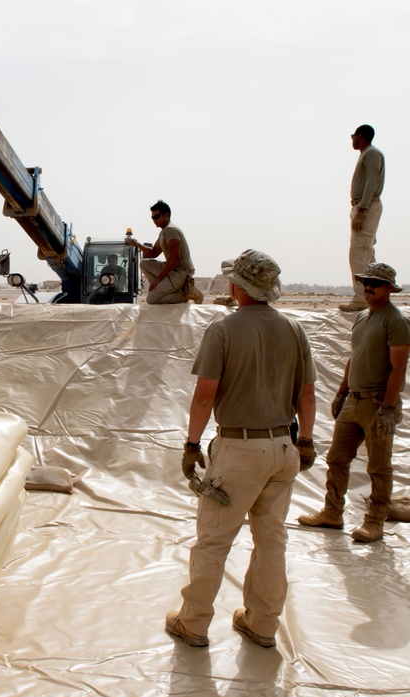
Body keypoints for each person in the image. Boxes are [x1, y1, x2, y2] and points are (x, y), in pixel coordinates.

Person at [165, 249, 317, 649]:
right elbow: (308, 397)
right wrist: (306, 442)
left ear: (238, 287)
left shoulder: (224, 330)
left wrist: (192, 445)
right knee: (272, 541)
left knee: (214, 540)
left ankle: (194, 623)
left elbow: (203, 398)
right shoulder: (294, 330)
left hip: (239, 449)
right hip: (283, 448)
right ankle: (263, 624)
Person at [299, 262, 410, 543]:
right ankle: (332, 513)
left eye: (375, 283)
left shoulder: (395, 320)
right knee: (337, 459)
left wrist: (387, 408)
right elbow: (355, 357)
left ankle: (375, 522)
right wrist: (341, 392)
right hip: (354, 401)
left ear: (388, 288)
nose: (368, 287)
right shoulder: (363, 317)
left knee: (378, 466)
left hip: (377, 404)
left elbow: (399, 368)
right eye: (365, 281)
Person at [340, 125, 385, 312]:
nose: (352, 140)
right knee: (367, 254)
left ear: (361, 136)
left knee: (358, 253)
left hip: (366, 207)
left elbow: (371, 183)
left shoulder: (372, 154)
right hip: (363, 206)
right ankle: (373, 296)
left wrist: (362, 210)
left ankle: (360, 299)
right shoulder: (367, 154)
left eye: (353, 136)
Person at [125, 200, 203, 304]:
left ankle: (185, 294)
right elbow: (154, 253)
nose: (154, 220)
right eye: (152, 217)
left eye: (156, 217)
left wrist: (158, 279)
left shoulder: (170, 230)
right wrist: (137, 244)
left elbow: (174, 257)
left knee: (152, 299)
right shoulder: (164, 232)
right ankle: (165, 291)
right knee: (144, 264)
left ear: (166, 215)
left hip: (181, 273)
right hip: (174, 271)